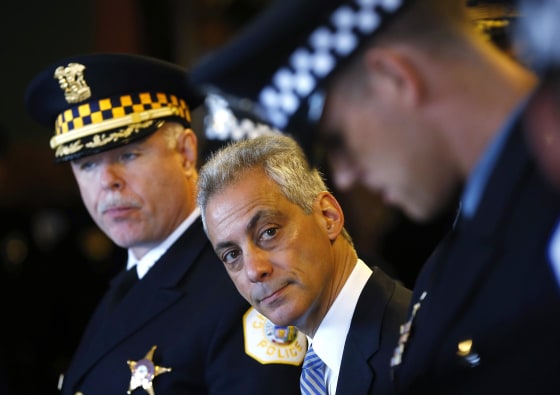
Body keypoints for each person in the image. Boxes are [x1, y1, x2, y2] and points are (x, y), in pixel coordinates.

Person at [189, 0, 560, 393]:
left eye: (337, 139)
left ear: (393, 78)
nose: (345, 175)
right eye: (231, 254)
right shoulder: (454, 259)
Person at [24, 52, 305, 395]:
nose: (108, 181)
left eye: (128, 155)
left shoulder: (244, 284)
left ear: (186, 153)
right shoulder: (127, 283)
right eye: (86, 165)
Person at [197, 132, 411, 394]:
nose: (254, 270)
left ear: (328, 216)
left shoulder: (414, 349)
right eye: (232, 255)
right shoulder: (318, 365)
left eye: (269, 232)